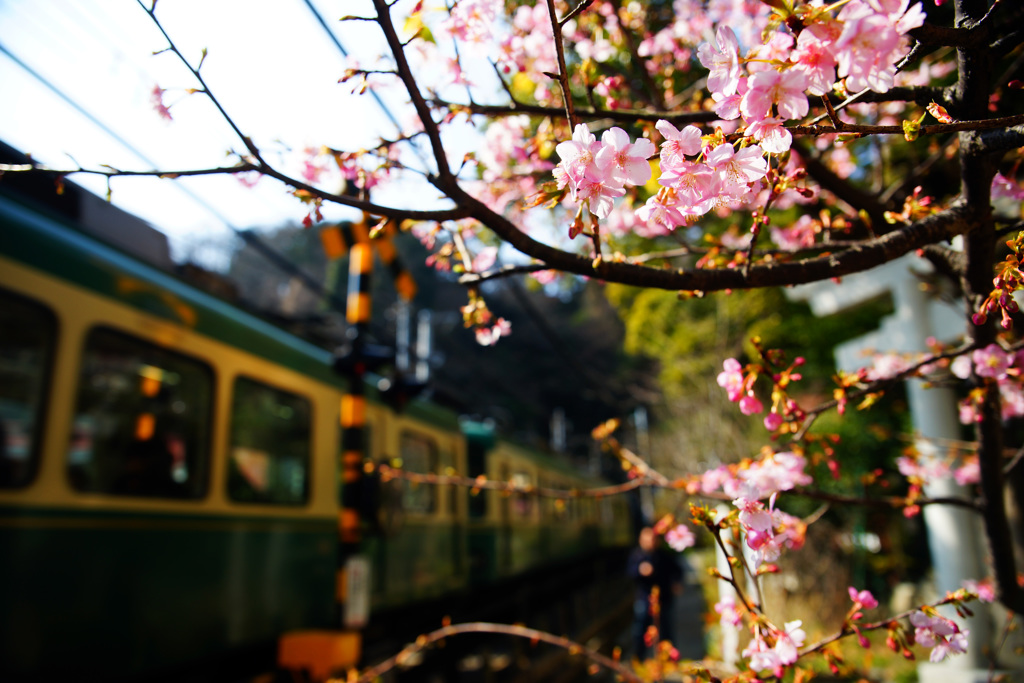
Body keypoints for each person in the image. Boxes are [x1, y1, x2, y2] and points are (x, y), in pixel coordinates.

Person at [627, 526, 684, 660]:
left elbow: (678, 571)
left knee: (666, 630)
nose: (650, 542)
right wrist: (640, 570)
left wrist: (676, 582)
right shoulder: (637, 556)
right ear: (641, 541)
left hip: (664, 599)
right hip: (644, 599)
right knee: (640, 630)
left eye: (653, 539)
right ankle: (638, 658)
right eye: (647, 539)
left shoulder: (664, 556)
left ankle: (669, 658)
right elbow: (629, 572)